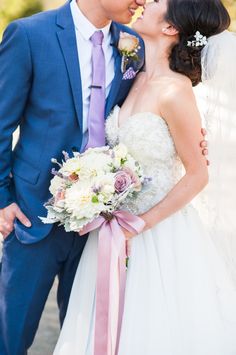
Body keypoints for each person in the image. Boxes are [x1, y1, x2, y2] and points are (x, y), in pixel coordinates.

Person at [54, 0, 236, 354]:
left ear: (170, 28)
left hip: (157, 232)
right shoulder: (134, 77)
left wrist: (139, 224)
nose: (146, 3)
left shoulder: (175, 90)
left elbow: (198, 175)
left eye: (157, 2)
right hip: (111, 231)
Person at [0, 0, 147, 354]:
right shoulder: (30, 34)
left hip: (101, 223)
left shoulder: (133, 44)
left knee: (84, 338)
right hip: (32, 212)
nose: (142, 1)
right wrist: (2, 200)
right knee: (9, 337)